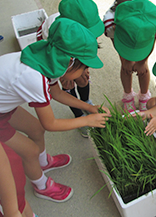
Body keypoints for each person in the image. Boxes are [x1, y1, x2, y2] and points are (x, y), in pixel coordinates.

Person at [0, 18, 110, 202]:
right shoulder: (34, 78)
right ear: (70, 61)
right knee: (30, 151)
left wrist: (89, 108)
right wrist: (86, 120)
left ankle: (43, 163)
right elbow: (51, 123)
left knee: (36, 129)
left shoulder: (48, 58)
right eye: (84, 67)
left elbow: (57, 93)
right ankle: (41, 186)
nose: (85, 72)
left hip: (4, 105)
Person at [37, 0, 105, 137]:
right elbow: (56, 92)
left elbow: (88, 49)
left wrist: (84, 68)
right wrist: (62, 74)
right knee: (68, 83)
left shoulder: (85, 31)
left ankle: (86, 102)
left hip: (74, 54)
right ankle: (79, 116)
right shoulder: (53, 31)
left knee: (83, 79)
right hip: (58, 54)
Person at [103, 0, 156, 112]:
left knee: (143, 68)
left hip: (143, 24)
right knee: (125, 66)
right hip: (123, 26)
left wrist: (142, 61)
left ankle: (144, 95)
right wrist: (126, 61)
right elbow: (118, 44)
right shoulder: (110, 23)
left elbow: (151, 42)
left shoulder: (153, 25)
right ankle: (128, 95)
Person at [0, 142, 38, 217]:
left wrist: (12, 212)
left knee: (17, 205)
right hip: (8, 174)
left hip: (6, 177)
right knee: (19, 203)